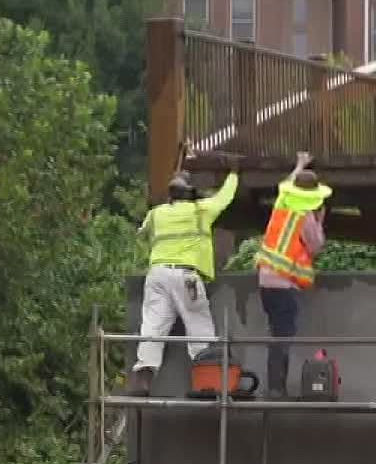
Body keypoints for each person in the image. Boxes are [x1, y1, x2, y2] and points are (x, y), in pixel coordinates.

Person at [131, 158, 240, 395]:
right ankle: (207, 380)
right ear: (190, 195)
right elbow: (224, 198)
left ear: (170, 196)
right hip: (185, 276)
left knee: (152, 326)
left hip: (157, 274)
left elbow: (141, 233)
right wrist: (233, 174)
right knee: (198, 324)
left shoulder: (156, 214)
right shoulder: (200, 211)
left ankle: (143, 380)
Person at [255, 152, 331, 397]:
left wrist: (299, 165)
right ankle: (276, 389)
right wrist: (320, 221)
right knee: (282, 338)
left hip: (265, 281)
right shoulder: (306, 217)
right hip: (285, 284)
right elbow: (315, 246)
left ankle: (277, 388)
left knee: (277, 333)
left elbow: (286, 184)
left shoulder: (282, 205)